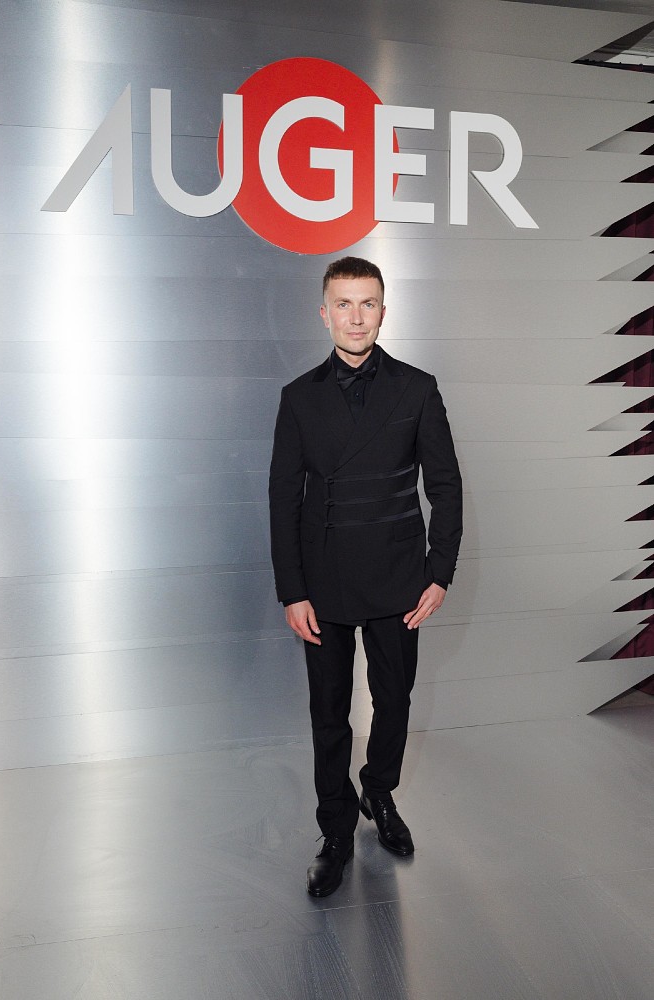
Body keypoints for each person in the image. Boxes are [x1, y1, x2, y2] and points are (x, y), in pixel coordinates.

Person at [268, 256, 462, 897]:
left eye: (368, 303)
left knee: (395, 699)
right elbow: (283, 500)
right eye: (344, 304)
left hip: (399, 577)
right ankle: (335, 828)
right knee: (329, 712)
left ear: (384, 310)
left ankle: (378, 792)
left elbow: (445, 485)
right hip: (323, 581)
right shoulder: (298, 397)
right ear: (324, 313)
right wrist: (293, 589)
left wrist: (440, 573)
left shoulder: (418, 389)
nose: (356, 317)